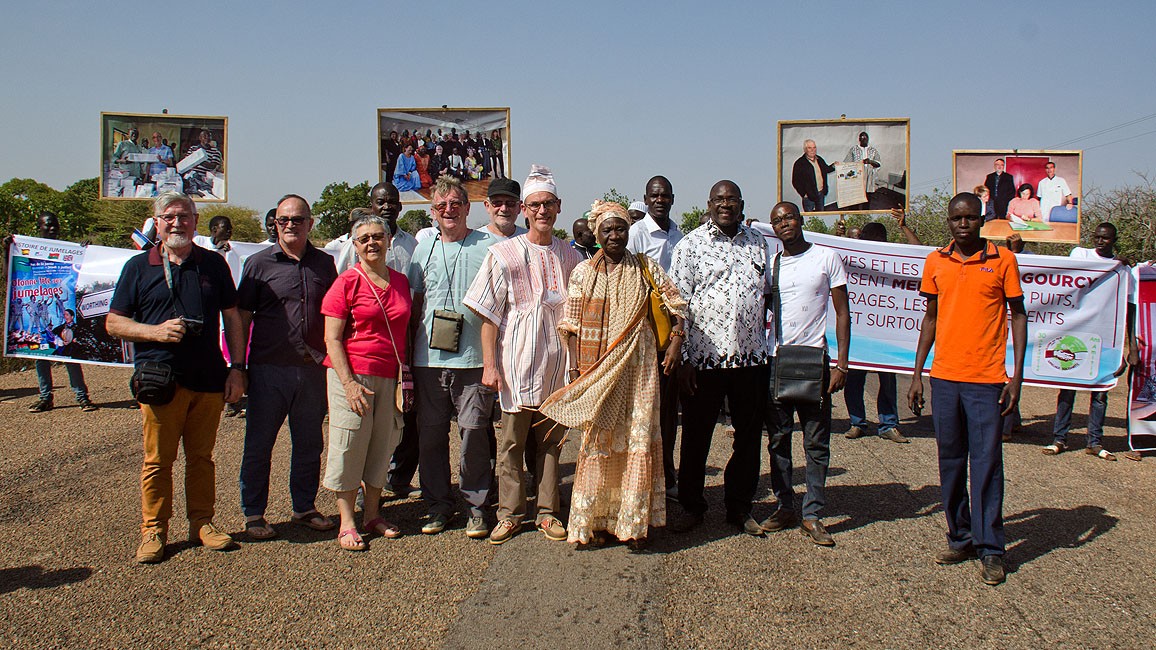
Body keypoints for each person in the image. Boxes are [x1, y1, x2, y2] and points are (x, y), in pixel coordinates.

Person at [106, 191, 247, 563]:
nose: (177, 223)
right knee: (158, 460)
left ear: (196, 222)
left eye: (184, 216)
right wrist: (154, 332)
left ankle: (203, 522)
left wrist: (237, 367)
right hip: (159, 380)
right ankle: (154, 529)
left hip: (208, 378)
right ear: (157, 222)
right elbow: (113, 322)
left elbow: (232, 317)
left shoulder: (213, 265)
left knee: (202, 457)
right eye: (169, 216)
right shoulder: (138, 267)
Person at [540, 201, 687, 547]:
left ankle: (634, 524)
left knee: (638, 439)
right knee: (599, 443)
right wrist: (577, 369)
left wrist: (677, 340)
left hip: (641, 369)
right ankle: (596, 522)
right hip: (600, 371)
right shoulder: (583, 273)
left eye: (620, 229)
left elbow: (677, 304)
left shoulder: (646, 267)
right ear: (597, 234)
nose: (614, 236)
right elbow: (571, 325)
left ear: (628, 231)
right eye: (607, 230)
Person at [907, 192, 1027, 586]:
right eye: (956, 218)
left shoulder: (1003, 260)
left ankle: (992, 549)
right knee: (951, 463)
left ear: (980, 221)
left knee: (987, 464)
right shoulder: (936, 261)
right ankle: (961, 537)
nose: (963, 224)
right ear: (948, 222)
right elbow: (930, 318)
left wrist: (1017, 378)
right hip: (945, 378)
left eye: (970, 218)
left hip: (986, 379)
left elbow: (1019, 316)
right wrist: (917, 373)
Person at [464, 165, 582, 545]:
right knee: (511, 444)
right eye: (535, 205)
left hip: (558, 366)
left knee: (551, 443)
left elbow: (579, 315)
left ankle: (548, 512)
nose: (542, 211)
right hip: (516, 365)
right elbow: (488, 316)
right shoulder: (503, 253)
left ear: (559, 207)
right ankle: (511, 514)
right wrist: (490, 366)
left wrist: (579, 364)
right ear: (524, 210)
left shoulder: (570, 254)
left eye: (548, 203)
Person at [667, 180, 772, 535]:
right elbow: (676, 304)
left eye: (732, 199)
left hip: (750, 360)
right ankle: (692, 507)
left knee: (748, 438)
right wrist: (681, 358)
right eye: (719, 199)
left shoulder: (759, 243)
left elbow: (768, 295)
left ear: (741, 204)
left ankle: (739, 507)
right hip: (703, 361)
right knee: (696, 438)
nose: (726, 204)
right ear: (709, 204)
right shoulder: (690, 245)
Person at [235, 195, 339, 540]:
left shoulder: (325, 264)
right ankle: (254, 513)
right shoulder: (257, 264)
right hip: (268, 369)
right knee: (259, 444)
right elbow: (241, 319)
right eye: (283, 220)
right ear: (275, 224)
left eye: (297, 219)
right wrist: (237, 366)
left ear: (310, 224)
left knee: (309, 443)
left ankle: (304, 506)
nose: (290, 225)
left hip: (312, 369)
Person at [406, 176, 499, 538]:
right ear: (432, 211)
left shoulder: (488, 246)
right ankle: (438, 506)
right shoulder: (422, 249)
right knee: (429, 437)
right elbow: (414, 305)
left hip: (474, 359)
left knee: (474, 434)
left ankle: (476, 507)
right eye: (441, 205)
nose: (449, 211)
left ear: (468, 208)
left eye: (455, 204)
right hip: (428, 360)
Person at [322, 214, 412, 550]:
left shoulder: (401, 282)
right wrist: (347, 383)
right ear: (354, 245)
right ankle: (347, 522)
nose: (372, 243)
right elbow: (332, 339)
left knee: (381, 444)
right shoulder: (346, 282)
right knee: (349, 444)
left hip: (389, 374)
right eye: (364, 239)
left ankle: (372, 514)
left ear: (389, 239)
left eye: (377, 236)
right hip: (352, 374)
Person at [764, 201, 851, 546]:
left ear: (800, 220)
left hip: (816, 361)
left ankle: (812, 514)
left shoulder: (826, 257)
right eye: (777, 221)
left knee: (816, 443)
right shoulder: (773, 266)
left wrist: (842, 364)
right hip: (778, 361)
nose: (784, 223)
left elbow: (843, 312)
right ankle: (786, 506)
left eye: (789, 217)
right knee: (778, 441)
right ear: (773, 229)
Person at [1043, 223, 1136, 461]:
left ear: (1114, 240)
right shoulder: (1081, 255)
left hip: (1105, 339)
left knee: (1100, 393)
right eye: (1097, 237)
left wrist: (1131, 348)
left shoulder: (1123, 272)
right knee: (1068, 388)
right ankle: (1059, 438)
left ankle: (1094, 441)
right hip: (1077, 335)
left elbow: (1130, 309)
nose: (1100, 241)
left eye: (1105, 238)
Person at [626, 175, 684, 499]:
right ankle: (642, 479)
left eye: (665, 196)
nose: (660, 200)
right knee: (644, 411)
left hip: (673, 331)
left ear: (672, 199)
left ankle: (667, 476)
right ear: (646, 199)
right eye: (654, 195)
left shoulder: (679, 235)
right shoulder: (635, 234)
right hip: (646, 333)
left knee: (668, 411)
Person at [12, 212, 99, 414]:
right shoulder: (29, 254)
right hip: (42, 321)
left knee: (69, 355)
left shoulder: (68, 253)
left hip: (62, 318)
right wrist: (9, 249)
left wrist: (86, 253)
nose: (52, 229)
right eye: (47, 225)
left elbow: (85, 277)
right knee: (41, 356)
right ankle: (45, 398)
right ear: (39, 228)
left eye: (55, 225)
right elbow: (13, 275)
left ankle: (82, 397)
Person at [843, 220, 908, 445]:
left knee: (887, 380)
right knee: (854, 380)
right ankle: (857, 422)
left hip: (883, 333)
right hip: (859, 332)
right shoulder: (854, 260)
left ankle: (888, 424)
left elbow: (921, 257)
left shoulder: (892, 260)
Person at [792, 139, 836, 212]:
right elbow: (795, 181)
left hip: (820, 193)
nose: (812, 150)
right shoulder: (799, 163)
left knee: (821, 217)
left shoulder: (819, 160)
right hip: (809, 197)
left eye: (814, 147)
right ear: (805, 149)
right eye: (810, 148)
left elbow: (826, 169)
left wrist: (834, 165)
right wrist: (804, 194)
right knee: (810, 219)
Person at [844, 131, 882, 206]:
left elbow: (878, 164)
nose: (864, 140)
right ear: (859, 139)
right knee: (855, 201)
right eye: (862, 139)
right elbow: (846, 163)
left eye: (865, 139)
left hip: (868, 178)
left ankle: (865, 213)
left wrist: (870, 161)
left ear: (868, 139)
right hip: (856, 178)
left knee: (867, 200)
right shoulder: (853, 149)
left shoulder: (873, 150)